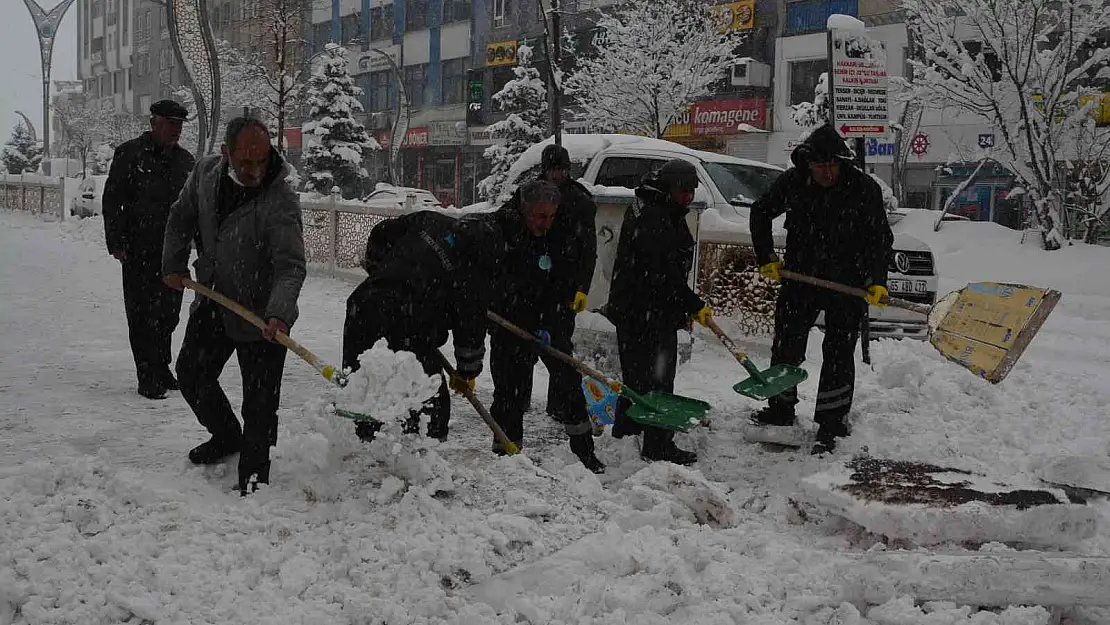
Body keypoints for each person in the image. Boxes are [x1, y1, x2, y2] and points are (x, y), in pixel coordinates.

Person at [162, 117, 307, 494]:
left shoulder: (280, 200)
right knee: (192, 374)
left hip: (261, 313)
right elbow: (181, 216)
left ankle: (255, 474)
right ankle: (226, 436)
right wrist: (173, 263)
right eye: (246, 162)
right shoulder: (206, 174)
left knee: (259, 402)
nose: (256, 170)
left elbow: (290, 267)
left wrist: (278, 312)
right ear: (226, 154)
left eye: (262, 160)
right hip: (214, 298)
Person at [749, 123, 893, 454]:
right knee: (787, 345)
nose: (826, 172)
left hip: (848, 283)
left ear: (842, 162)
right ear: (808, 164)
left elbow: (879, 240)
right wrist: (766, 257)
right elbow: (760, 212)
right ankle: (780, 408)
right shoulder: (794, 182)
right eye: (819, 166)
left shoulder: (863, 188)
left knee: (839, 352)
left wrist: (878, 280)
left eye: (832, 165)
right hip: (801, 278)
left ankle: (831, 421)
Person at [341, 208, 498, 444]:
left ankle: (367, 448)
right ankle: (424, 453)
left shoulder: (429, 219)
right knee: (429, 400)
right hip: (408, 323)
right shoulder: (472, 273)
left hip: (363, 306)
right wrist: (467, 371)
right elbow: (470, 328)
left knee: (365, 388)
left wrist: (380, 269)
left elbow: (382, 232)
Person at [486, 179, 606, 472]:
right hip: (510, 323)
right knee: (509, 390)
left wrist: (555, 320)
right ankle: (506, 451)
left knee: (568, 382)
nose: (545, 223)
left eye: (550, 216)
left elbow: (563, 274)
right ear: (524, 210)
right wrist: (516, 322)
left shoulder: (559, 230)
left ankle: (584, 451)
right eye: (540, 216)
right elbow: (498, 286)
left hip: (551, 319)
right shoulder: (501, 230)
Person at [604, 159, 712, 466]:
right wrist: (693, 305)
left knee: (637, 376)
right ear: (668, 187)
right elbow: (662, 274)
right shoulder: (654, 216)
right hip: (645, 311)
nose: (688, 197)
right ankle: (658, 443)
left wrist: (682, 308)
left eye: (692, 191)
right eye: (682, 191)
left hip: (638, 309)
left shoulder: (654, 204)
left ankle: (626, 430)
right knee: (658, 380)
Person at [102, 99, 195, 399]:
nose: (176, 130)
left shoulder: (185, 162)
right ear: (154, 122)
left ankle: (162, 366)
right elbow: (112, 200)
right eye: (171, 123)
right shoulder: (130, 155)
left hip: (174, 254)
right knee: (142, 315)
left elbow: (195, 207)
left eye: (180, 124)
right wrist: (117, 241)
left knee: (169, 314)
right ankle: (146, 373)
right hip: (139, 250)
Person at [536, 145, 602, 469]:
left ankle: (567, 417)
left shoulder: (579, 201)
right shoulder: (530, 196)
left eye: (561, 170)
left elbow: (589, 249)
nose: (557, 175)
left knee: (561, 355)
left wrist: (581, 289)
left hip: (563, 292)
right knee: (525, 356)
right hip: (532, 290)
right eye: (552, 170)